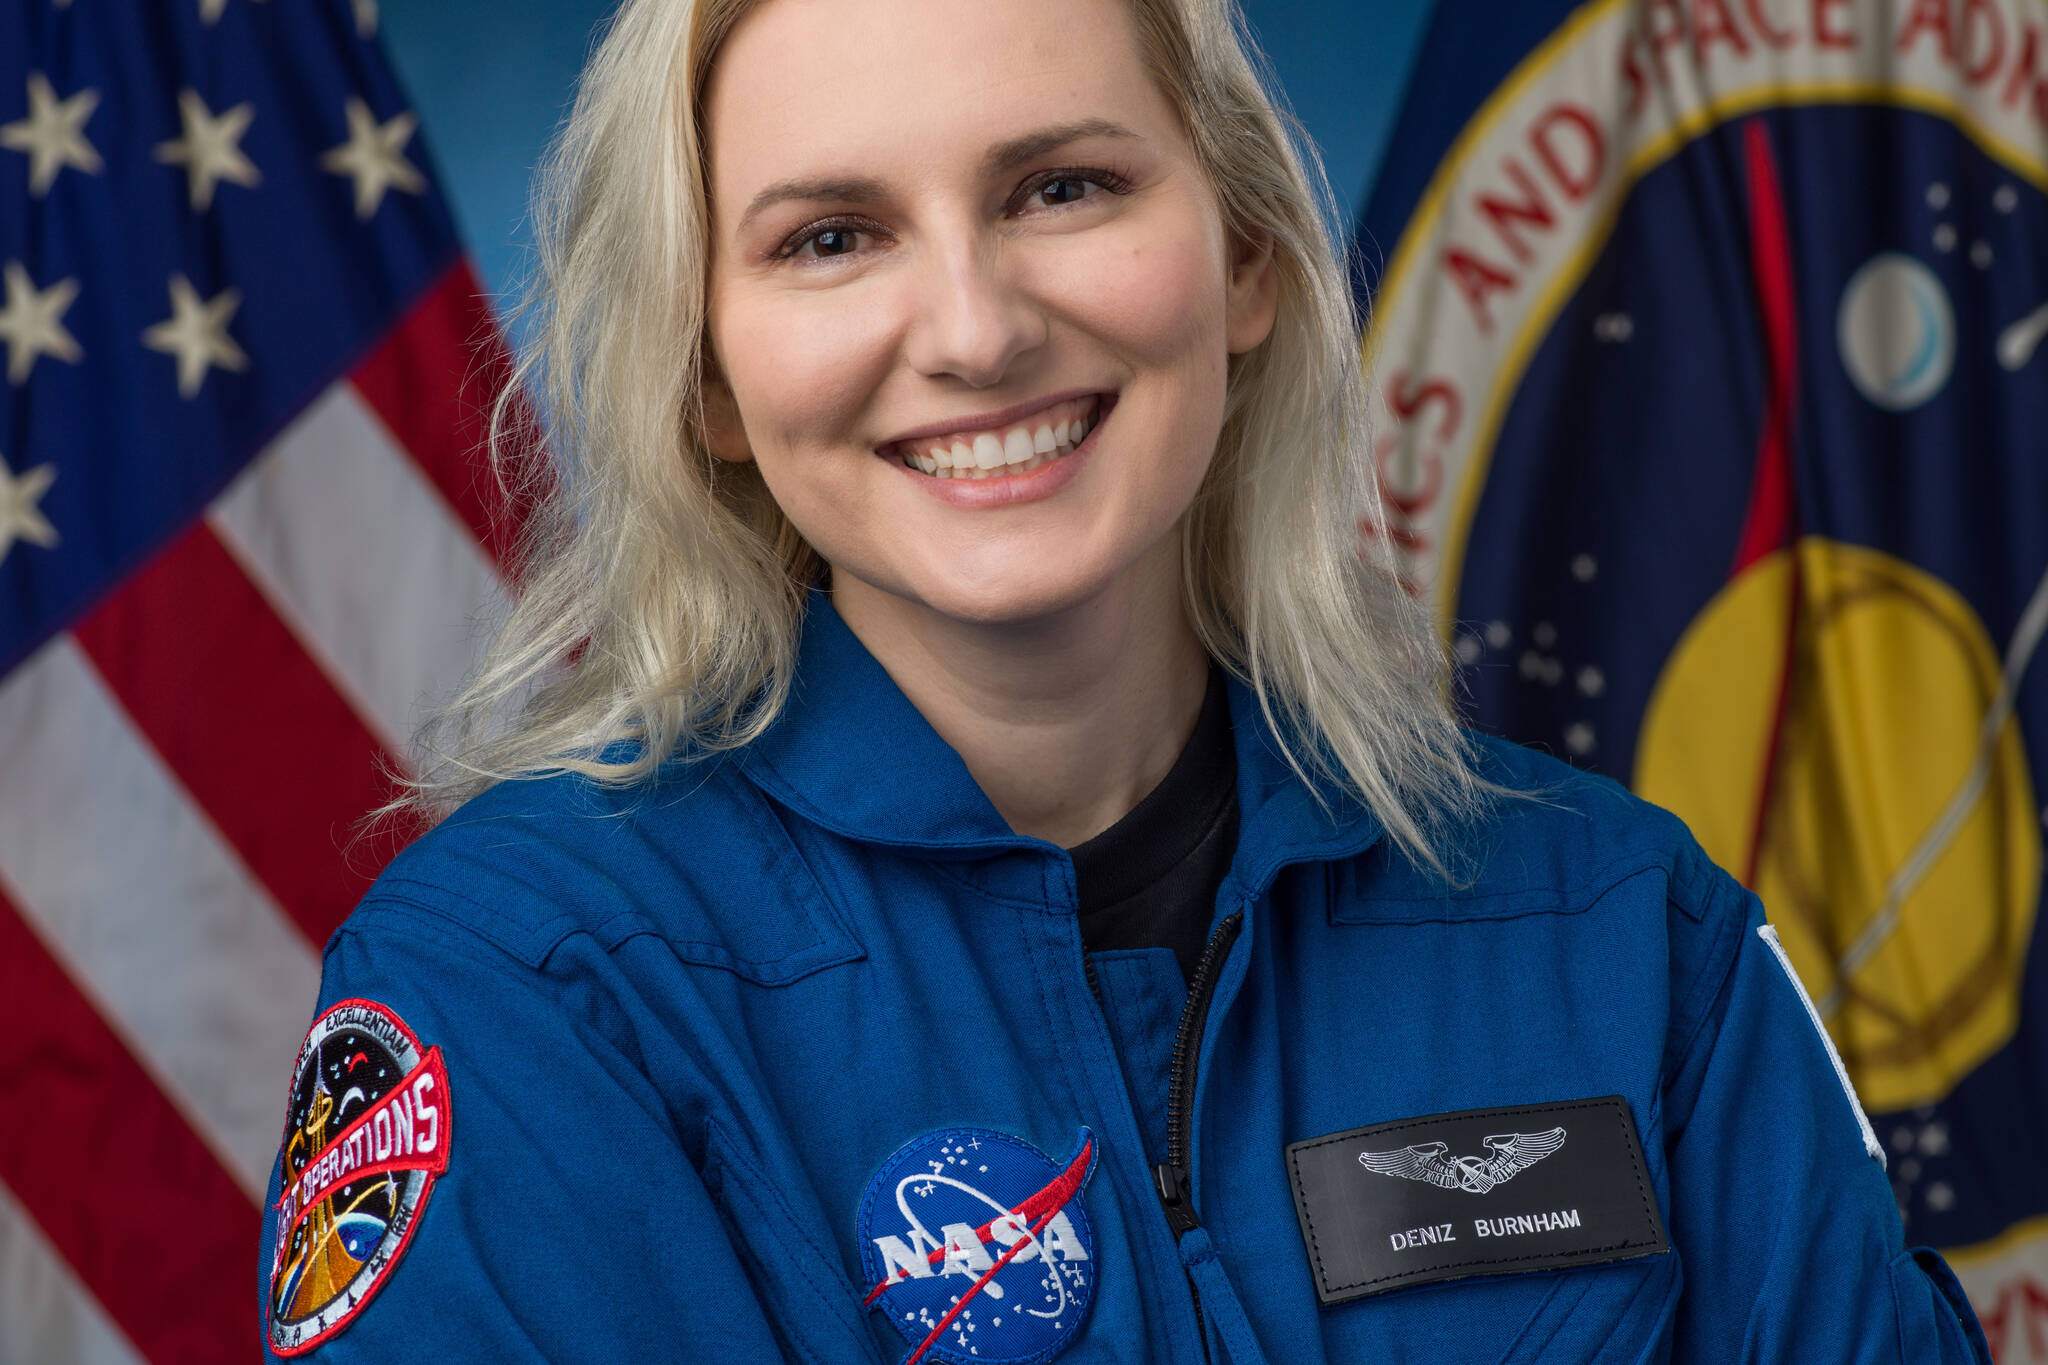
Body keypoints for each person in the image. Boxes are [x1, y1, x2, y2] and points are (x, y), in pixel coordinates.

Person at [258, 0, 1991, 1359]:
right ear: (707, 375)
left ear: (1241, 256)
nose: (976, 325)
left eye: (1063, 187)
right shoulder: (532, 993)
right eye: (829, 238)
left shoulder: (1621, 937)